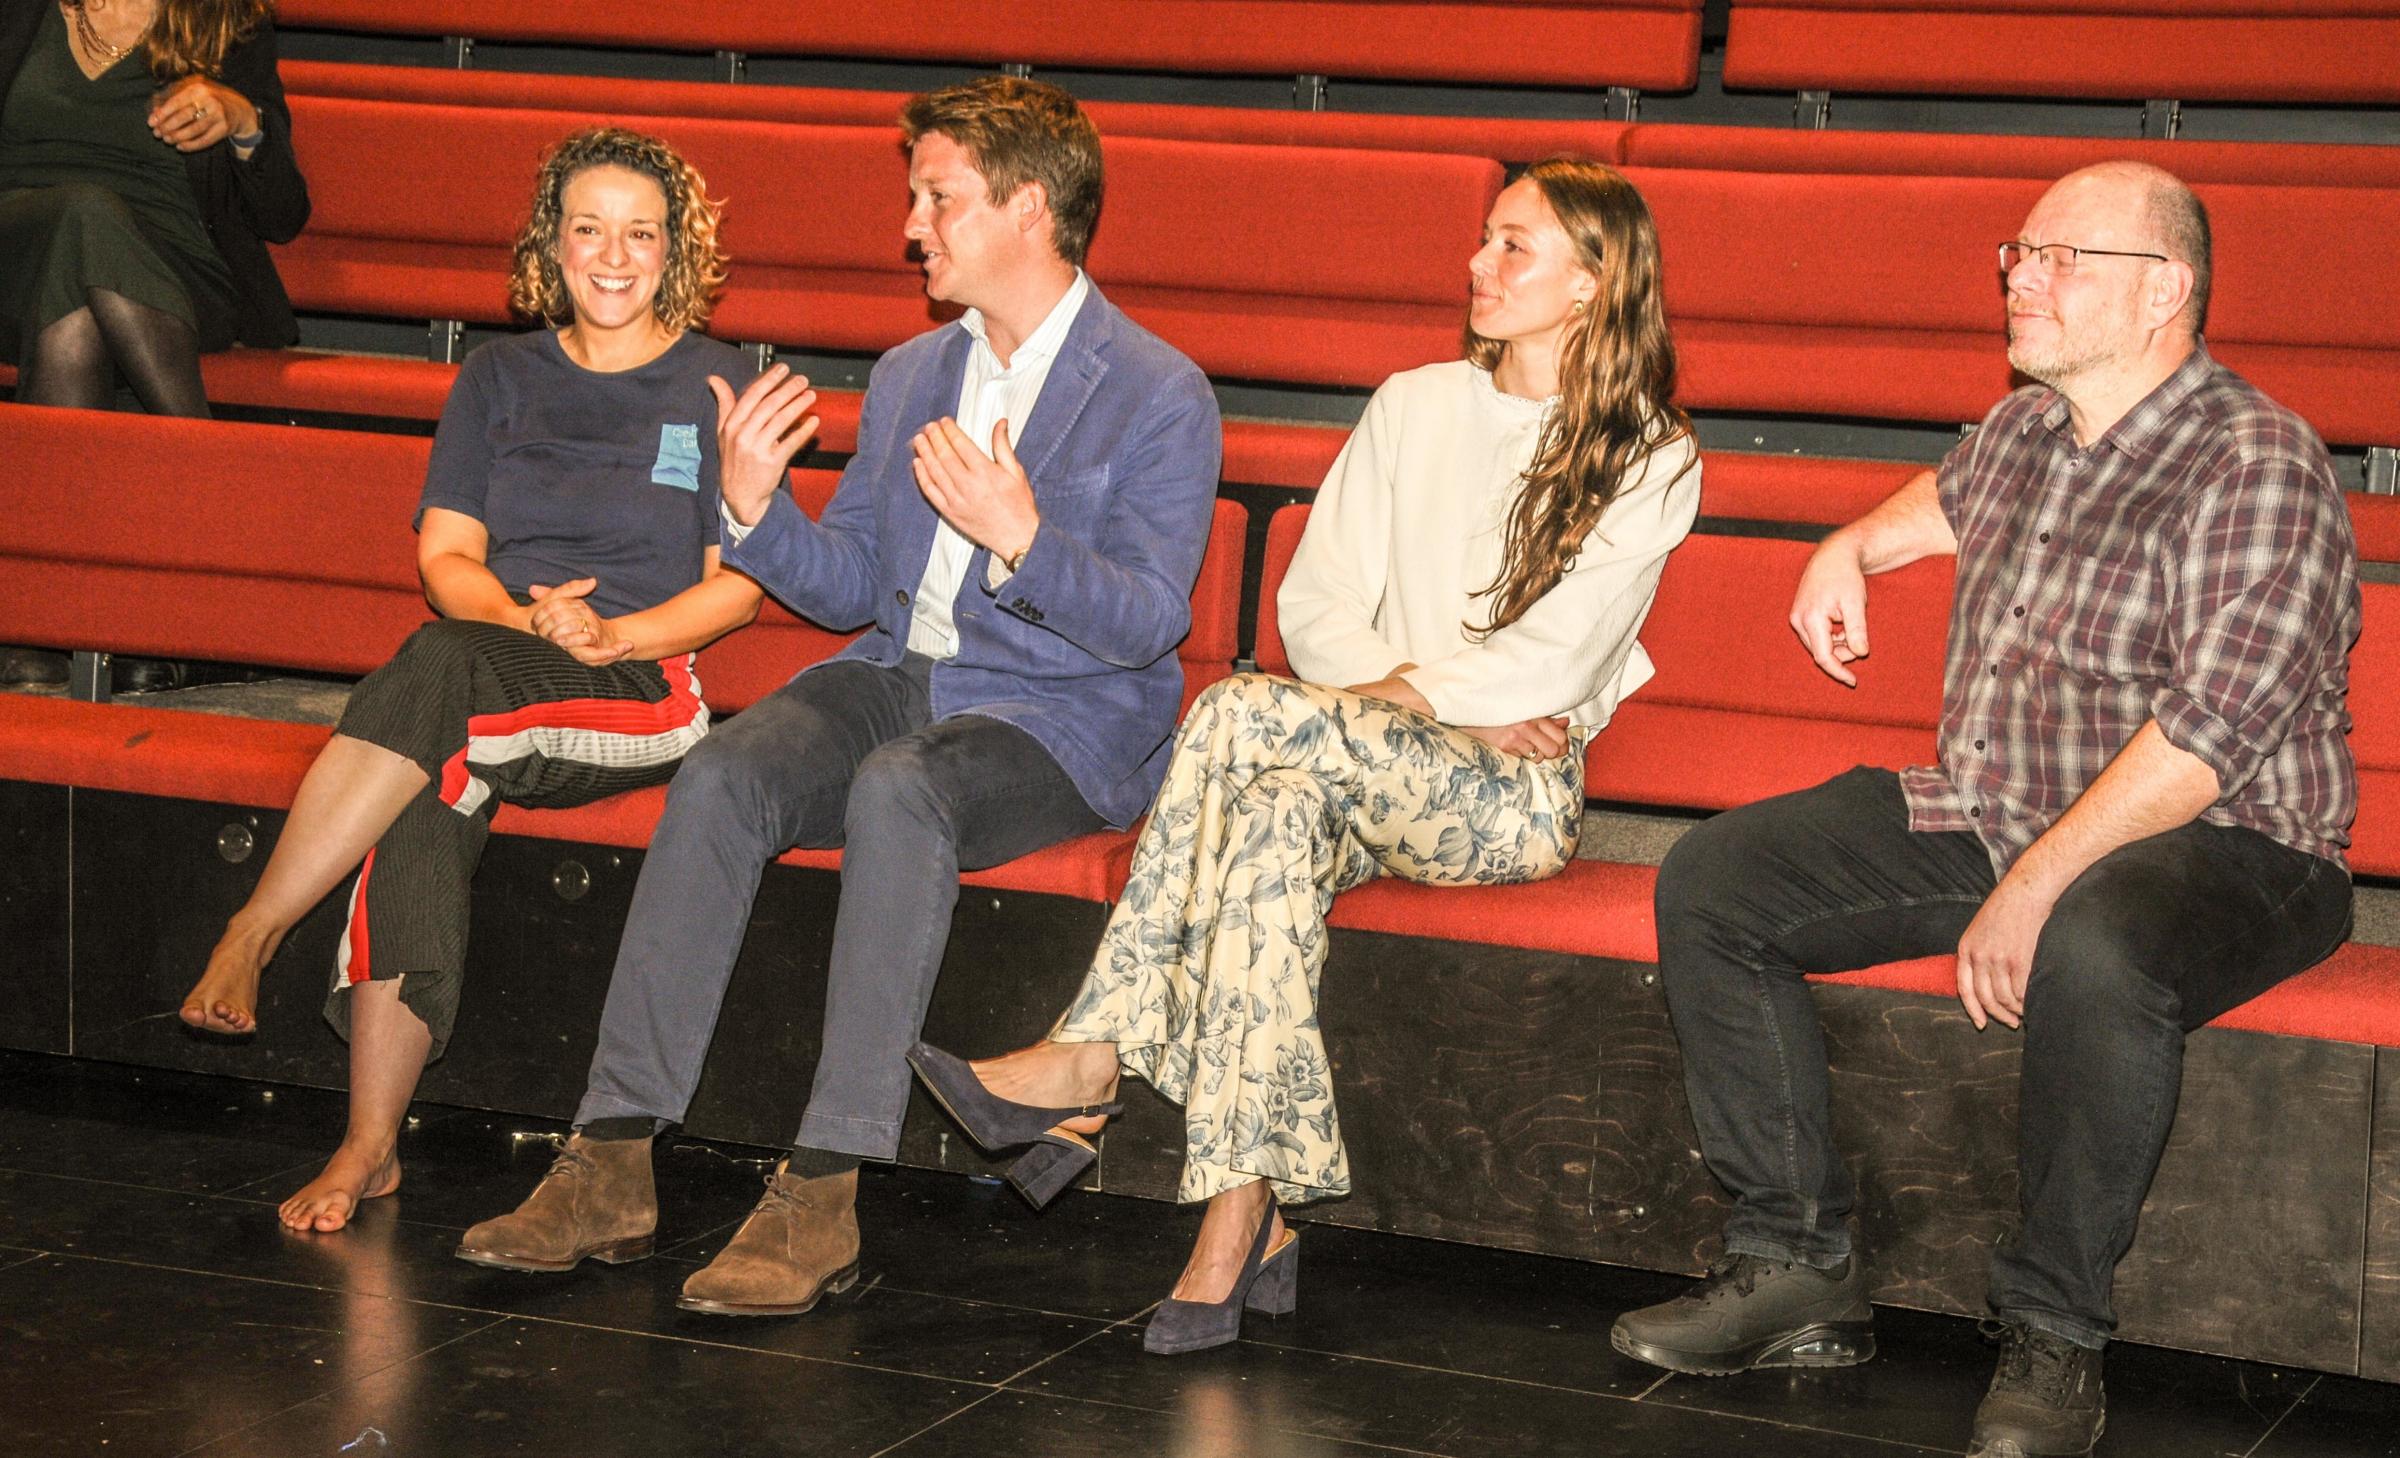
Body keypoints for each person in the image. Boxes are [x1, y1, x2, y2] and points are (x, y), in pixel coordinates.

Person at [1608, 162, 2357, 1458]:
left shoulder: (2257, 462)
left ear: (2166, 290)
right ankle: (1797, 1263)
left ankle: (2055, 1329)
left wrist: (2034, 883)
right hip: (2000, 806)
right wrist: (1849, 544)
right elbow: (1950, 497)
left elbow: (2207, 742)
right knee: (1720, 880)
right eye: (2019, 252)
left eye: (2063, 258)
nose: (2021, 276)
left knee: (2096, 938)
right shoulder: (2024, 429)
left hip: (2235, 845)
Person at [456, 77, 1224, 1316]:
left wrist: (1023, 541)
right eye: (917, 197)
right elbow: (854, 580)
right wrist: (756, 510)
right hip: (897, 674)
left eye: (939, 198)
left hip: (1059, 714)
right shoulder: (919, 369)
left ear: (1029, 208)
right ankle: (610, 1153)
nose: (914, 225)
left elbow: (1147, 628)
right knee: (722, 771)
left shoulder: (1157, 390)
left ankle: (823, 1184)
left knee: (901, 788)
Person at [908, 158, 1702, 1355]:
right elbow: (1316, 607)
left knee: (1233, 713)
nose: (1478, 266)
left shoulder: (1651, 453)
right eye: (1482, 240)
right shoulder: (1415, 403)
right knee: (1271, 814)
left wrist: (1409, 706)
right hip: (1356, 756)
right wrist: (1430, 703)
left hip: (1508, 801)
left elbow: (1553, 664)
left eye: (1514, 248)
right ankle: (1242, 1230)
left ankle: (1096, 1050)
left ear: (1594, 284)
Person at [175, 127, 763, 1235]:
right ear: (553, 241)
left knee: (436, 685)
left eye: (641, 232)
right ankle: (369, 1146)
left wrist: (613, 636)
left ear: (677, 248)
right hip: (504, 660)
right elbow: (447, 559)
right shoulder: (499, 376)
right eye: (588, 228)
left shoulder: (723, 381)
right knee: (422, 792)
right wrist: (528, 616)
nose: (614, 255)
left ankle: (255, 929)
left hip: (640, 691)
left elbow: (735, 590)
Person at [0, 0, 309, 686]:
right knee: (80, 213)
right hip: (11, 249)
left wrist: (243, 122)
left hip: (170, 265)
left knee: (76, 314)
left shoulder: (229, 21)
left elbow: (284, 214)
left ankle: (49, 627)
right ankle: (212, 532)